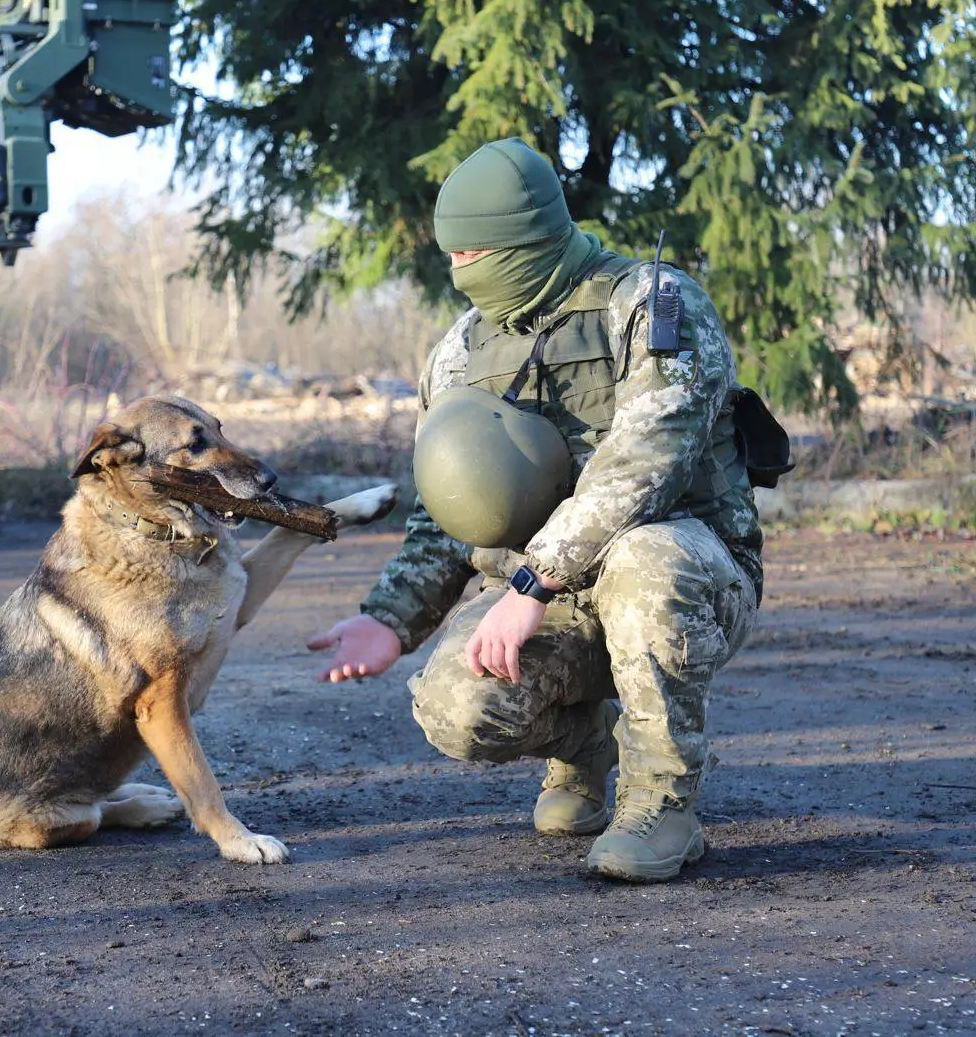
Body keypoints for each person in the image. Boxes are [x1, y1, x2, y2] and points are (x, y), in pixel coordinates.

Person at [306, 136, 768, 883]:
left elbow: (645, 460)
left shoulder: (651, 304)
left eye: (477, 252)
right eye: (452, 256)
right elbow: (450, 506)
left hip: (690, 575)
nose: (461, 272)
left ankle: (664, 805)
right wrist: (391, 616)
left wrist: (533, 583)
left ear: (527, 237)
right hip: (548, 594)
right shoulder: (461, 349)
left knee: (645, 558)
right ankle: (585, 745)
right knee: (457, 707)